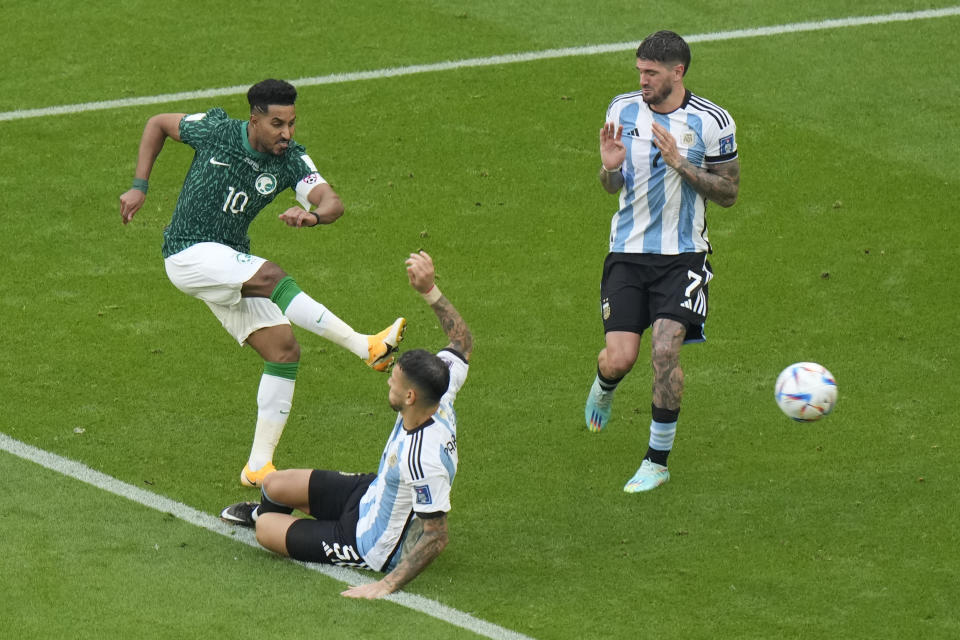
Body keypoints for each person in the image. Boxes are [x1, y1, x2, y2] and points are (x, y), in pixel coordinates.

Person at [118, 79, 407, 488]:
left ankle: (258, 466)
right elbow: (157, 124)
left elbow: (332, 201)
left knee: (284, 350)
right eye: (276, 124)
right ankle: (367, 347)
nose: (286, 134)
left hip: (226, 261)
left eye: (291, 124)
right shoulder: (216, 130)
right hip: (187, 253)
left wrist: (315, 216)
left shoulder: (290, 161)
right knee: (271, 275)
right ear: (254, 119)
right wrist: (139, 186)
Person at [220, 251, 472, 599]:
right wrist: (429, 290)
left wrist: (386, 585)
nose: (388, 383)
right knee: (274, 485)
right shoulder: (440, 391)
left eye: (394, 383)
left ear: (411, 396)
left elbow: (436, 535)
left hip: (366, 542)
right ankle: (285, 513)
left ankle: (283, 523)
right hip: (370, 492)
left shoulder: (423, 457)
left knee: (265, 529)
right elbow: (462, 343)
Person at [584, 31, 740, 493]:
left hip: (684, 256)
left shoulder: (712, 122)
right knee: (620, 358)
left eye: (651, 73)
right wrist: (610, 168)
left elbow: (729, 192)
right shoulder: (622, 109)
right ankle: (605, 385)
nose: (642, 80)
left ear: (678, 72)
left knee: (666, 349)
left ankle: (657, 459)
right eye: (639, 71)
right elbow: (610, 187)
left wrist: (681, 165)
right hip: (627, 255)